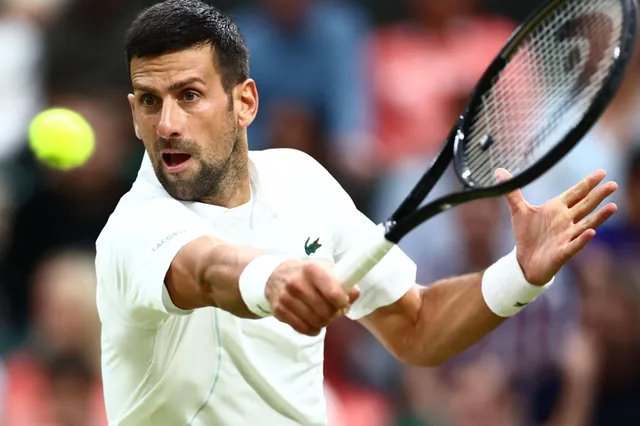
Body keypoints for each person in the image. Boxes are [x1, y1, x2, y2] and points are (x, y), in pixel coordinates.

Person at [95, 1, 619, 425]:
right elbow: (207, 271)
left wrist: (521, 272)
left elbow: (417, 327)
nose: (166, 123)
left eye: (189, 95)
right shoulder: (135, 227)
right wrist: (275, 278)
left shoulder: (301, 180)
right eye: (148, 100)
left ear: (245, 103)